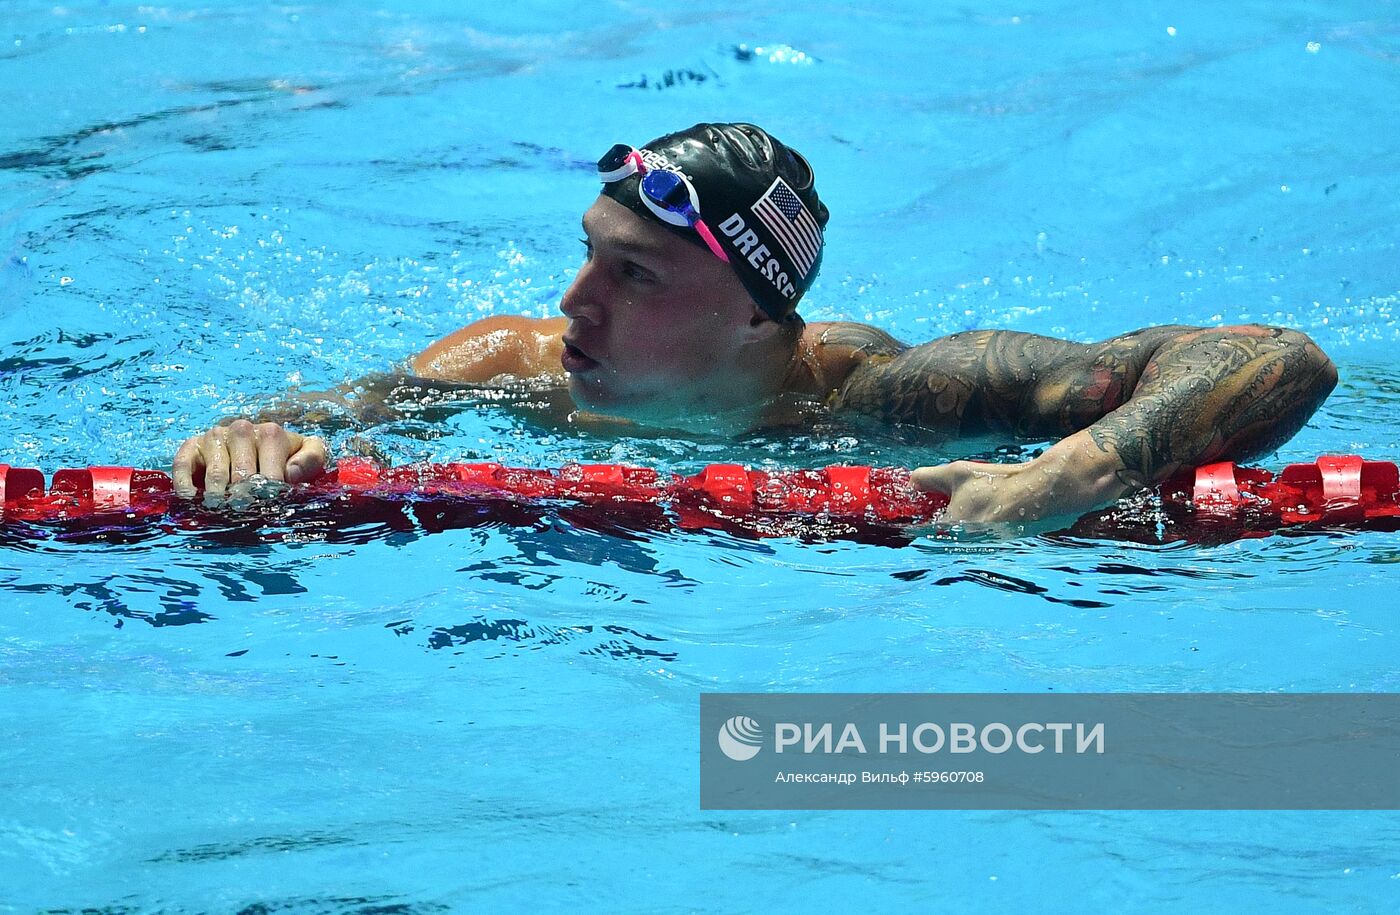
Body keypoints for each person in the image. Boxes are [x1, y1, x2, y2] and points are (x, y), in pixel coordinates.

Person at [172, 122, 1338, 523]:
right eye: (587, 256)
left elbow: (1276, 357)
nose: (569, 306)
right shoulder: (506, 367)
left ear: (754, 315)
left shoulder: (870, 397)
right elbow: (319, 413)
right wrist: (256, 436)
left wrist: (1061, 478)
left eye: (632, 278)